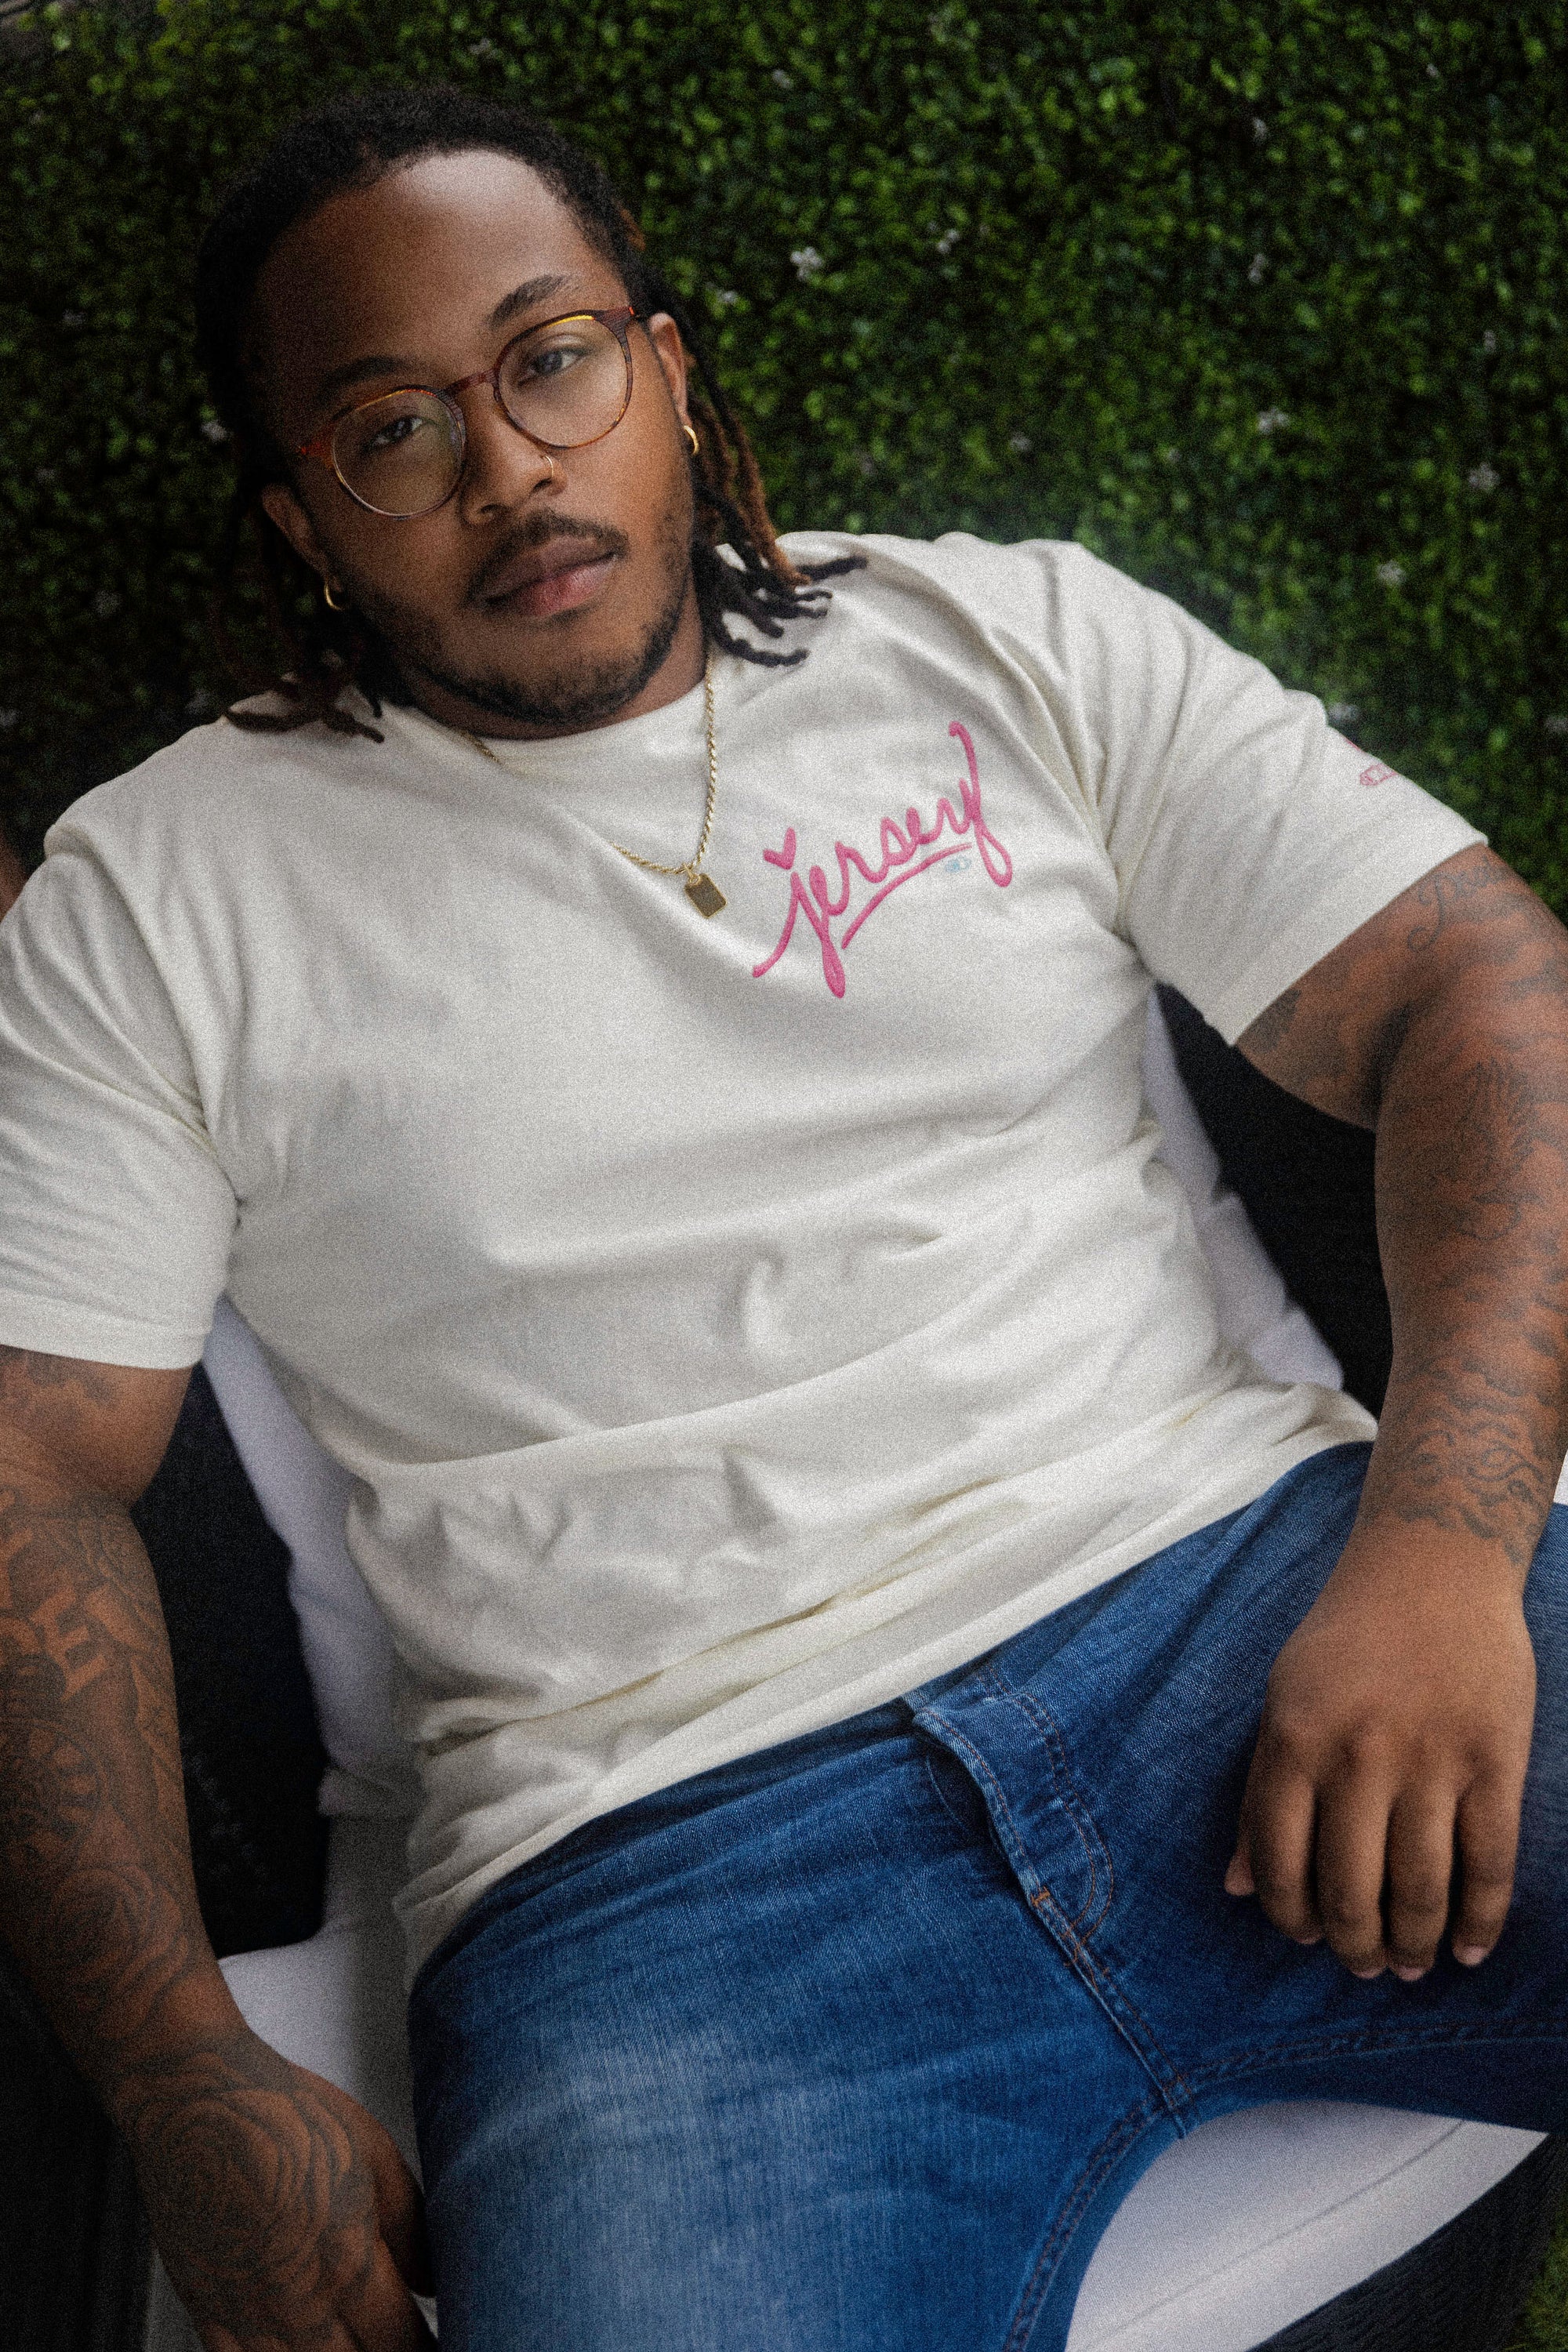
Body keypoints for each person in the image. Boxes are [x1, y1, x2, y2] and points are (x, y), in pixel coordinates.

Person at [0, 82, 1564, 2352]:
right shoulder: (159, 898)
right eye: (394, 430)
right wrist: (177, 2076)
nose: (513, 466)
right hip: (668, 1878)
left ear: (666, 371)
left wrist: (1437, 1545)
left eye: (551, 362)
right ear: (303, 521)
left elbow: (1477, 979)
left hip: (1249, 1614)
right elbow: (35, 1479)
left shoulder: (1002, 639)